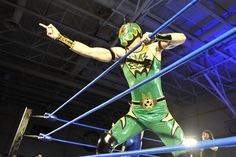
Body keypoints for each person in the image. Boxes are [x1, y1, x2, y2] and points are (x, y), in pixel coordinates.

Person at [40, 22, 190, 157]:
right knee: (104, 144)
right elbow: (90, 51)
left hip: (160, 113)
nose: (128, 44)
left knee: (185, 153)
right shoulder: (122, 53)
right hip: (136, 114)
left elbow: (182, 38)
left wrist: (156, 36)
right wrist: (60, 37)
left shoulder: (153, 47)